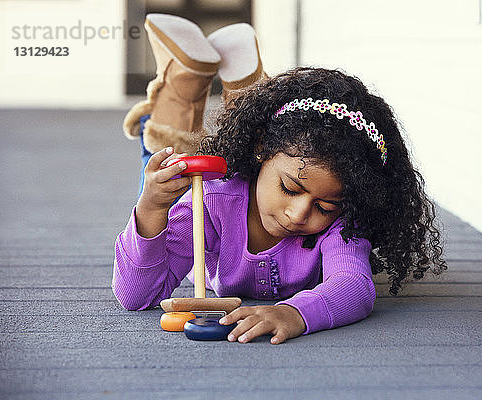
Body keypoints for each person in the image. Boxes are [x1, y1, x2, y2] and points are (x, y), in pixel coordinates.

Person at [113, 14, 446, 345]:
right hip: (209, 180)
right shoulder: (209, 201)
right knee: (168, 161)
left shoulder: (340, 224)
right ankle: (182, 83)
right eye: (289, 188)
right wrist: (152, 206)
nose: (300, 214)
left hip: (259, 163)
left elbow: (353, 286)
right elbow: (136, 295)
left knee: (240, 133)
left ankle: (243, 87)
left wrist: (296, 313)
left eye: (326, 205)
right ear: (261, 152)